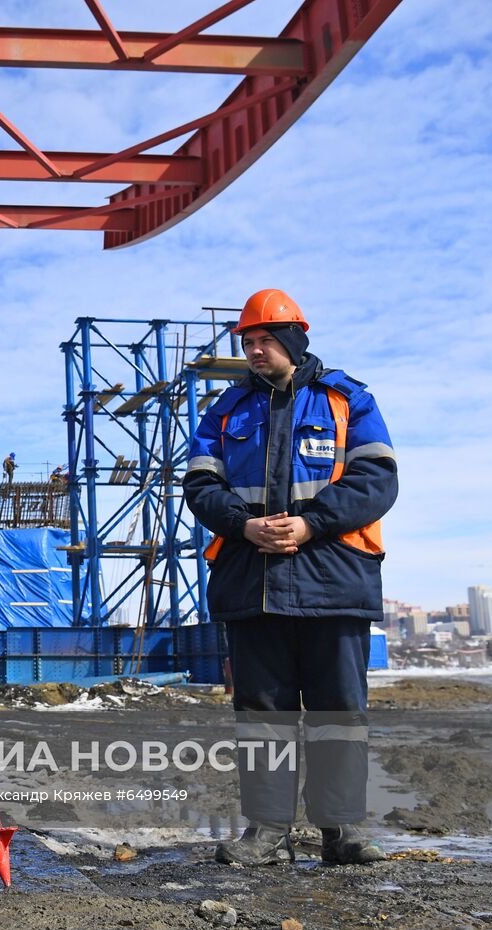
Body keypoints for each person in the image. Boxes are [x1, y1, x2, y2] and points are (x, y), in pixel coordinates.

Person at [183, 289, 397, 866]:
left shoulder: (346, 400)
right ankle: (267, 832)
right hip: (252, 582)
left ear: (295, 340)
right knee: (262, 714)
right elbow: (201, 486)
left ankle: (343, 831)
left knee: (339, 712)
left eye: (265, 340)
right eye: (247, 341)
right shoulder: (225, 412)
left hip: (333, 578)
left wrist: (310, 524)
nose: (254, 350)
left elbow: (377, 480)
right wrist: (245, 526)